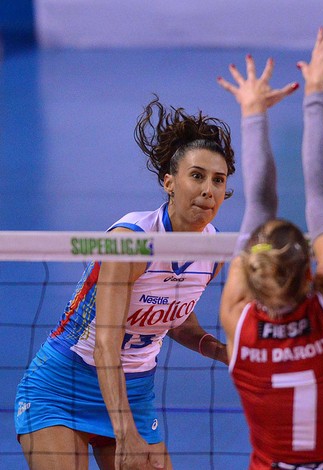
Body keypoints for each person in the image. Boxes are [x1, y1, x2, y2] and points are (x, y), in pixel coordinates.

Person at [15, 96, 237, 470]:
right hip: (64, 385)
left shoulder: (213, 250)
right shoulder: (131, 242)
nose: (208, 190)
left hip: (135, 391)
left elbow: (174, 320)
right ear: (169, 181)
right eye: (196, 176)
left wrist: (218, 350)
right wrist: (125, 433)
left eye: (218, 180)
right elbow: (105, 345)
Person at [218, 16, 323, 469]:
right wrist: (317, 90)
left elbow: (259, 204)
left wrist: (251, 112)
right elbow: (321, 193)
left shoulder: (237, 322)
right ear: (310, 271)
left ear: (252, 272)